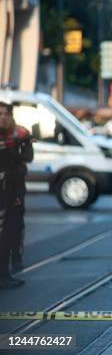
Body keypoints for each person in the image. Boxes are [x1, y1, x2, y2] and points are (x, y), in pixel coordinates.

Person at [0, 102, 33, 289]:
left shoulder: (20, 134)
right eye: (0, 114)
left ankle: (9, 264)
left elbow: (28, 156)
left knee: (12, 228)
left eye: (6, 114)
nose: (3, 117)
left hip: (14, 189)